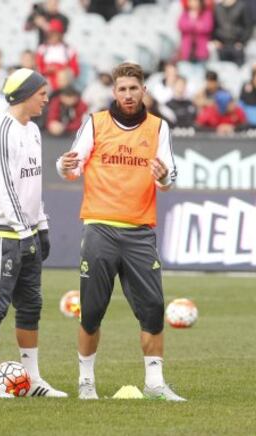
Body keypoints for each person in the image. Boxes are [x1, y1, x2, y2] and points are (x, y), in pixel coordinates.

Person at [57, 62, 185, 401]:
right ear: (114, 92)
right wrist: (63, 166)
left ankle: (155, 385)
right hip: (100, 228)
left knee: (154, 309)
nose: (128, 95)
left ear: (144, 91)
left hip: (140, 232)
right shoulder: (95, 123)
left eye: (134, 88)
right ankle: (86, 382)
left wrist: (162, 177)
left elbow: (169, 181)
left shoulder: (159, 128)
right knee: (92, 309)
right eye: (122, 89)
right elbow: (71, 168)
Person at [0, 68, 68, 398]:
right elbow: (4, 186)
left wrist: (40, 225)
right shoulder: (2, 130)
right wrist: (22, 230)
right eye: (41, 92)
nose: (46, 98)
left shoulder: (34, 130)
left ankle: (32, 378)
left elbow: (32, 184)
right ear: (26, 94)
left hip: (26, 230)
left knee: (31, 307)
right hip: (2, 232)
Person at [211, 0, 253, 66]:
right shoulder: (218, 7)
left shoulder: (242, 6)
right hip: (221, 46)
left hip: (237, 46)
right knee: (222, 71)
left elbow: (248, 26)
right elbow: (213, 26)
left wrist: (242, 42)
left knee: (239, 71)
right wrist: (215, 40)